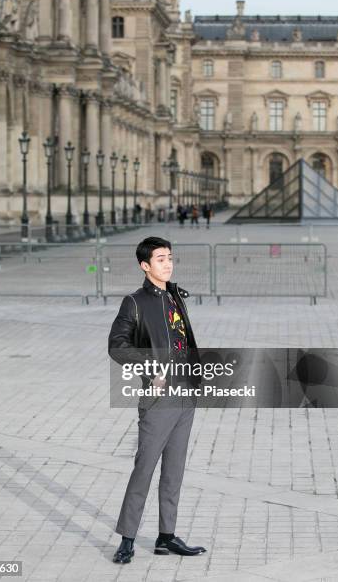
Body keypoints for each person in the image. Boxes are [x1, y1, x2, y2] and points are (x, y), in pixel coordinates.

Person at [108, 237, 206, 564]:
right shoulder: (135, 302)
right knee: (144, 469)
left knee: (174, 471)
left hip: (184, 396)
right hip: (159, 399)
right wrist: (150, 369)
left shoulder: (175, 295)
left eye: (170, 258)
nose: (168, 264)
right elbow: (117, 345)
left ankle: (167, 536)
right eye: (161, 259)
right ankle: (127, 539)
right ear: (145, 266)